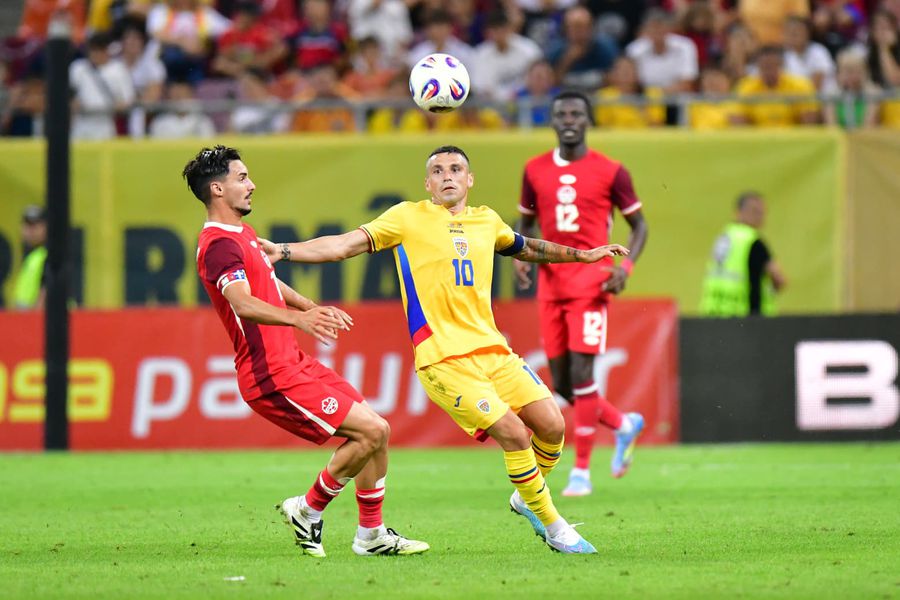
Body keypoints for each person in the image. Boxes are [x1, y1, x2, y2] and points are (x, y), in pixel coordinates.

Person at [258, 145, 631, 554]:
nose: (447, 175)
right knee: (513, 433)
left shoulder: (487, 220)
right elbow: (346, 244)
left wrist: (583, 255)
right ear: (428, 184)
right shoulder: (406, 217)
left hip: (494, 351)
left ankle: (526, 498)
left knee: (553, 425)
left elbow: (527, 247)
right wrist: (286, 251)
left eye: (456, 169)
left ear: (470, 179)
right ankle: (555, 526)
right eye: (437, 171)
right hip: (443, 358)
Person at [182, 145, 428, 558]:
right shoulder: (217, 245)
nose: (252, 184)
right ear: (217, 189)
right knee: (370, 432)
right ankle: (308, 507)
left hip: (292, 362)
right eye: (242, 178)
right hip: (269, 374)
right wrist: (299, 321)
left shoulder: (242, 235)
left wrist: (309, 307)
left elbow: (268, 283)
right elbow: (242, 302)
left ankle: (371, 535)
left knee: (376, 432)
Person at [514, 90, 648, 498]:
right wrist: (522, 256)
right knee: (565, 384)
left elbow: (640, 226)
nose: (569, 119)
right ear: (552, 121)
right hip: (551, 285)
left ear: (588, 120)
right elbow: (525, 222)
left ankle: (582, 473)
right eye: (561, 113)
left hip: (592, 284)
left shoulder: (611, 171)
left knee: (584, 375)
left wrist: (625, 268)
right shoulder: (534, 169)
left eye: (576, 113)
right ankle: (624, 424)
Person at [700, 191, 787, 317]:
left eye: (762, 212)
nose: (760, 216)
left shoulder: (724, 237)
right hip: (745, 317)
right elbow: (778, 278)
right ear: (739, 212)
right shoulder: (753, 241)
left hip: (715, 313)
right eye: (755, 211)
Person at [12, 204, 47, 310]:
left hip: (36, 322)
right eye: (27, 226)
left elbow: (45, 294)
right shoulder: (32, 255)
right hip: (27, 321)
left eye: (35, 226)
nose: (30, 231)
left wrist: (34, 323)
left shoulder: (49, 255)